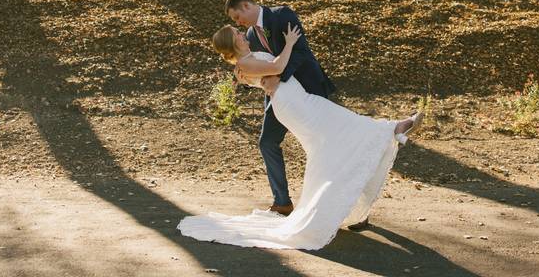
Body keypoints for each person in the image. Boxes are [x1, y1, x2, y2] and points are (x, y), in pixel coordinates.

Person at [176, 21, 422, 250]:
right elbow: (278, 67)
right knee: (341, 129)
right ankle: (395, 128)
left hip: (298, 99)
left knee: (337, 135)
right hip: (293, 104)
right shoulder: (245, 64)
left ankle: (392, 132)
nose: (242, 34)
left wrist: (268, 76)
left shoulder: (247, 61)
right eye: (237, 35)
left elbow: (272, 74)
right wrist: (290, 43)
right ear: (234, 45)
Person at [222, 0, 334, 216]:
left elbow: (301, 51)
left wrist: (277, 76)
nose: (239, 22)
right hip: (280, 99)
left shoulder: (282, 15)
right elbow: (256, 66)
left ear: (246, 6)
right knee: (267, 142)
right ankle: (282, 202)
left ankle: (344, 203)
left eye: (237, 17)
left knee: (327, 145)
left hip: (308, 88)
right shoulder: (251, 36)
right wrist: (244, 80)